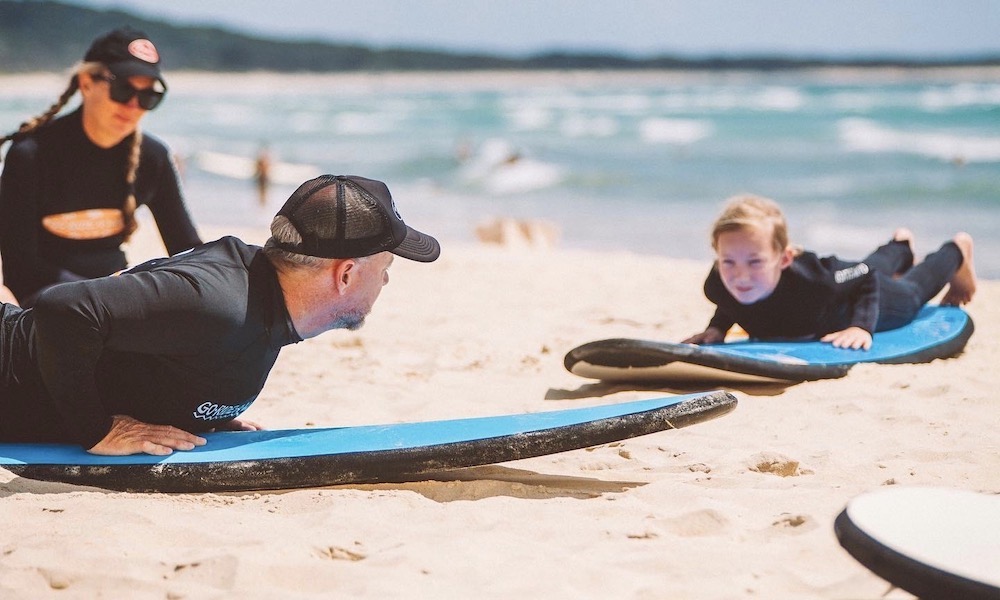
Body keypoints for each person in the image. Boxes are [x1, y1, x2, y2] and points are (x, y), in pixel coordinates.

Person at [0, 174, 440, 457]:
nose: (385, 281)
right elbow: (64, 310)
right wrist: (95, 429)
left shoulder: (266, 295)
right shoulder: (220, 301)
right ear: (345, 274)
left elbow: (164, 348)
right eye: (386, 266)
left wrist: (200, 411)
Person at [0, 27, 202, 307]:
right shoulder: (31, 155)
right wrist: (111, 293)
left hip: (119, 301)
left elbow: (187, 251)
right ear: (86, 83)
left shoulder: (153, 157)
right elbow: (20, 270)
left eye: (148, 96)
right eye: (123, 89)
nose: (133, 105)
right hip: (51, 304)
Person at [683, 194, 977, 350]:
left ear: (784, 258)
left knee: (911, 294)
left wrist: (860, 326)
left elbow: (865, 275)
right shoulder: (719, 284)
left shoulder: (815, 281)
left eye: (755, 262)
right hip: (843, 283)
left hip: (861, 303)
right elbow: (730, 299)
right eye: (728, 261)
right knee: (866, 268)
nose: (740, 275)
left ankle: (956, 250)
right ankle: (900, 246)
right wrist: (718, 328)